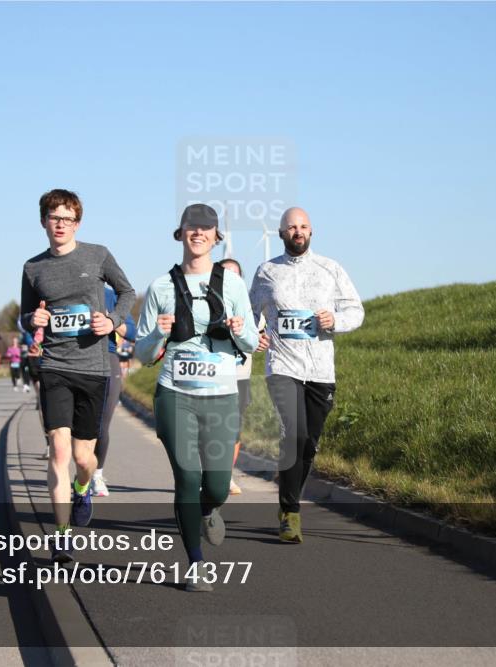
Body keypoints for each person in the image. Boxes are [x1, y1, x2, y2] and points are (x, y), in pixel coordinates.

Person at [135, 204, 258, 591]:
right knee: (187, 476)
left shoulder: (234, 285)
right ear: (181, 233)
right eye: (192, 227)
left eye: (206, 229)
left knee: (218, 486)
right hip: (176, 393)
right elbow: (141, 353)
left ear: (216, 237)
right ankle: (196, 564)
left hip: (221, 394)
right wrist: (158, 333)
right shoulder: (160, 287)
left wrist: (238, 330)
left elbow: (252, 343)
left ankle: (208, 509)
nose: (198, 234)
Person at [20, 188, 134, 563]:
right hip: (54, 366)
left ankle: (83, 487)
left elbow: (126, 292)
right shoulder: (33, 268)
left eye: (67, 219)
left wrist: (113, 320)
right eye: (54, 218)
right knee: (58, 450)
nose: (61, 225)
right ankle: (63, 535)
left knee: (84, 458)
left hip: (94, 368)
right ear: (43, 222)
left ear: (77, 223)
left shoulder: (97, 255)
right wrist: (31, 320)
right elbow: (24, 315)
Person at [249, 207, 364, 543]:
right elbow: (251, 311)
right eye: (291, 227)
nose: (297, 232)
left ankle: (289, 491)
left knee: (309, 444)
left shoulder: (331, 269)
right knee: (294, 433)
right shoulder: (267, 271)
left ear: (311, 231)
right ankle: (290, 511)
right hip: (282, 366)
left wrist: (335, 321)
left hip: (320, 369)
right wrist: (255, 335)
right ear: (281, 233)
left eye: (303, 227)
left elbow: (355, 310)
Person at [218, 257, 260, 495]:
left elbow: (260, 335)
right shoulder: (204, 305)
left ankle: (226, 476)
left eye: (235, 274)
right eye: (225, 274)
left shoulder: (250, 308)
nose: (230, 279)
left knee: (233, 430)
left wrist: (261, 340)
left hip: (240, 376)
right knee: (209, 430)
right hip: (211, 377)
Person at [91, 286, 137, 497]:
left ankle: (97, 474)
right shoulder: (65, 286)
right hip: (71, 363)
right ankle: (79, 471)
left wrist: (112, 322)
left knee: (101, 425)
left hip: (108, 360)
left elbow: (133, 332)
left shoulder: (110, 295)